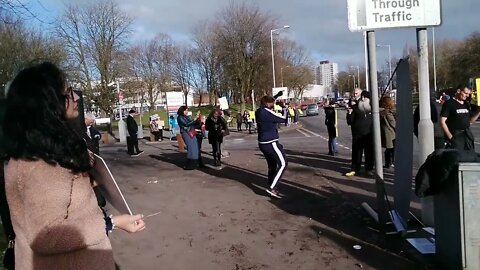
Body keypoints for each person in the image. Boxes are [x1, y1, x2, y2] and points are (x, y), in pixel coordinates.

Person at [2, 62, 145, 270]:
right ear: (48, 103)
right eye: (68, 92)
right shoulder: (43, 163)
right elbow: (47, 236)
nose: (76, 98)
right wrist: (112, 223)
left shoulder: (37, 152)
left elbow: (56, 201)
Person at [256, 92, 288, 198]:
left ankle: (271, 183)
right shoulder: (267, 113)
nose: (274, 104)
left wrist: (276, 96)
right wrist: (284, 108)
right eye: (272, 102)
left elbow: (266, 102)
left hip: (263, 143)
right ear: (268, 103)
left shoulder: (259, 111)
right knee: (283, 164)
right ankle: (272, 188)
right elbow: (284, 119)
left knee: (272, 165)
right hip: (271, 142)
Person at [440, 85, 480, 151]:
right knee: (458, 158)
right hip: (455, 135)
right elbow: (442, 122)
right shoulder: (449, 104)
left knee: (469, 157)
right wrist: (451, 138)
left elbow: (470, 122)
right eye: (465, 93)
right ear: (459, 91)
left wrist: (478, 112)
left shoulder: (466, 104)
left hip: (467, 136)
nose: (467, 96)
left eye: (468, 94)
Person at [346, 89, 374, 177]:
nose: (362, 98)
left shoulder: (373, 108)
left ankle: (368, 169)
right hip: (357, 135)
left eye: (364, 97)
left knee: (369, 153)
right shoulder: (354, 108)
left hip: (369, 134)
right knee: (356, 153)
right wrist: (349, 114)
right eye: (361, 97)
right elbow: (349, 122)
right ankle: (355, 169)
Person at [177, 106, 199, 170]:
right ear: (182, 111)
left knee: (194, 147)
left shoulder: (186, 117)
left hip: (191, 132)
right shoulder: (180, 118)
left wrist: (196, 119)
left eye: (187, 110)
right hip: (186, 132)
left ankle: (194, 162)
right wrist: (194, 120)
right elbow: (186, 124)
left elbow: (192, 123)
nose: (186, 112)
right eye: (185, 110)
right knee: (191, 147)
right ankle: (190, 163)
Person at [379, 96, 396, 169]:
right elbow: (392, 122)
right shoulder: (387, 112)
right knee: (391, 149)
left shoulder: (382, 111)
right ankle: (390, 163)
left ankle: (388, 163)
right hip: (390, 132)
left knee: (389, 149)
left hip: (387, 132)